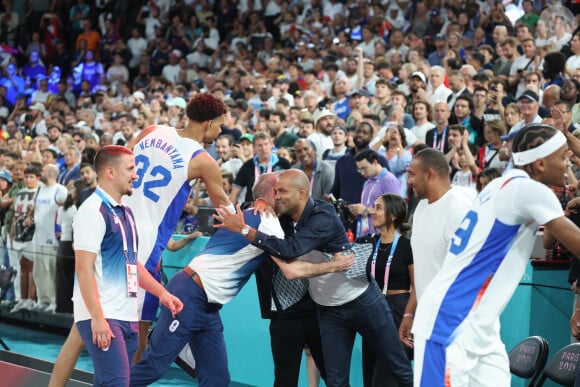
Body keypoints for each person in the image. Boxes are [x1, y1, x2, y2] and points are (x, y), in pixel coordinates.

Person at [49, 93, 236, 385]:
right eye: (220, 125)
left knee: (81, 330)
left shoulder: (153, 130)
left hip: (113, 222)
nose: (221, 131)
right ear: (209, 124)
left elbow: (121, 163)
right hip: (142, 245)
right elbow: (224, 207)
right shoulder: (202, 159)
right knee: (136, 336)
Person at [129, 173, 353, 386]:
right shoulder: (267, 220)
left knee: (217, 379)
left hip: (207, 304)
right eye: (281, 190)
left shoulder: (245, 214)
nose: (284, 196)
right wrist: (332, 266)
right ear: (271, 193)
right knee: (154, 367)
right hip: (190, 296)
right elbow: (290, 270)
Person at [413, 124, 580, 385]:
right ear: (540, 164)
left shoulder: (501, 184)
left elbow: (549, 240)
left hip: (480, 324)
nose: (567, 162)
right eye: (562, 157)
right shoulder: (530, 190)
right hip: (449, 320)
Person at [215, 169, 413, 387]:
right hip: (328, 310)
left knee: (397, 365)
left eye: (282, 191)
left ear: (301, 193)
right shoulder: (286, 217)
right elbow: (252, 210)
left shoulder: (323, 216)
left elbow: (291, 249)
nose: (277, 196)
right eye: (275, 192)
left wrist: (245, 230)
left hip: (362, 301)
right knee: (336, 382)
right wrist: (259, 203)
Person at [72, 145, 183, 386]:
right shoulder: (92, 211)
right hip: (105, 314)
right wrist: (97, 318)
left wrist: (162, 293)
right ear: (110, 172)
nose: (136, 175)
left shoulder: (126, 213)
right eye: (131, 169)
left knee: (113, 382)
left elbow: (132, 264)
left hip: (126, 313)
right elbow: (83, 269)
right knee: (118, 382)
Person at [359, 194, 416, 387]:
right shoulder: (367, 243)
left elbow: (417, 287)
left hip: (398, 311)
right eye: (374, 207)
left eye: (379, 208)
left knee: (388, 377)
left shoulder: (408, 246)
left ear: (392, 215)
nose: (373, 212)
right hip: (372, 308)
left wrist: (408, 315)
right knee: (370, 371)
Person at [408, 148, 475, 304]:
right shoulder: (421, 206)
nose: (409, 181)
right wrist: (410, 313)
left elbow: (471, 271)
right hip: (428, 313)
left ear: (430, 174)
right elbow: (423, 268)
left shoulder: (459, 208)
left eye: (413, 175)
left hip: (453, 314)